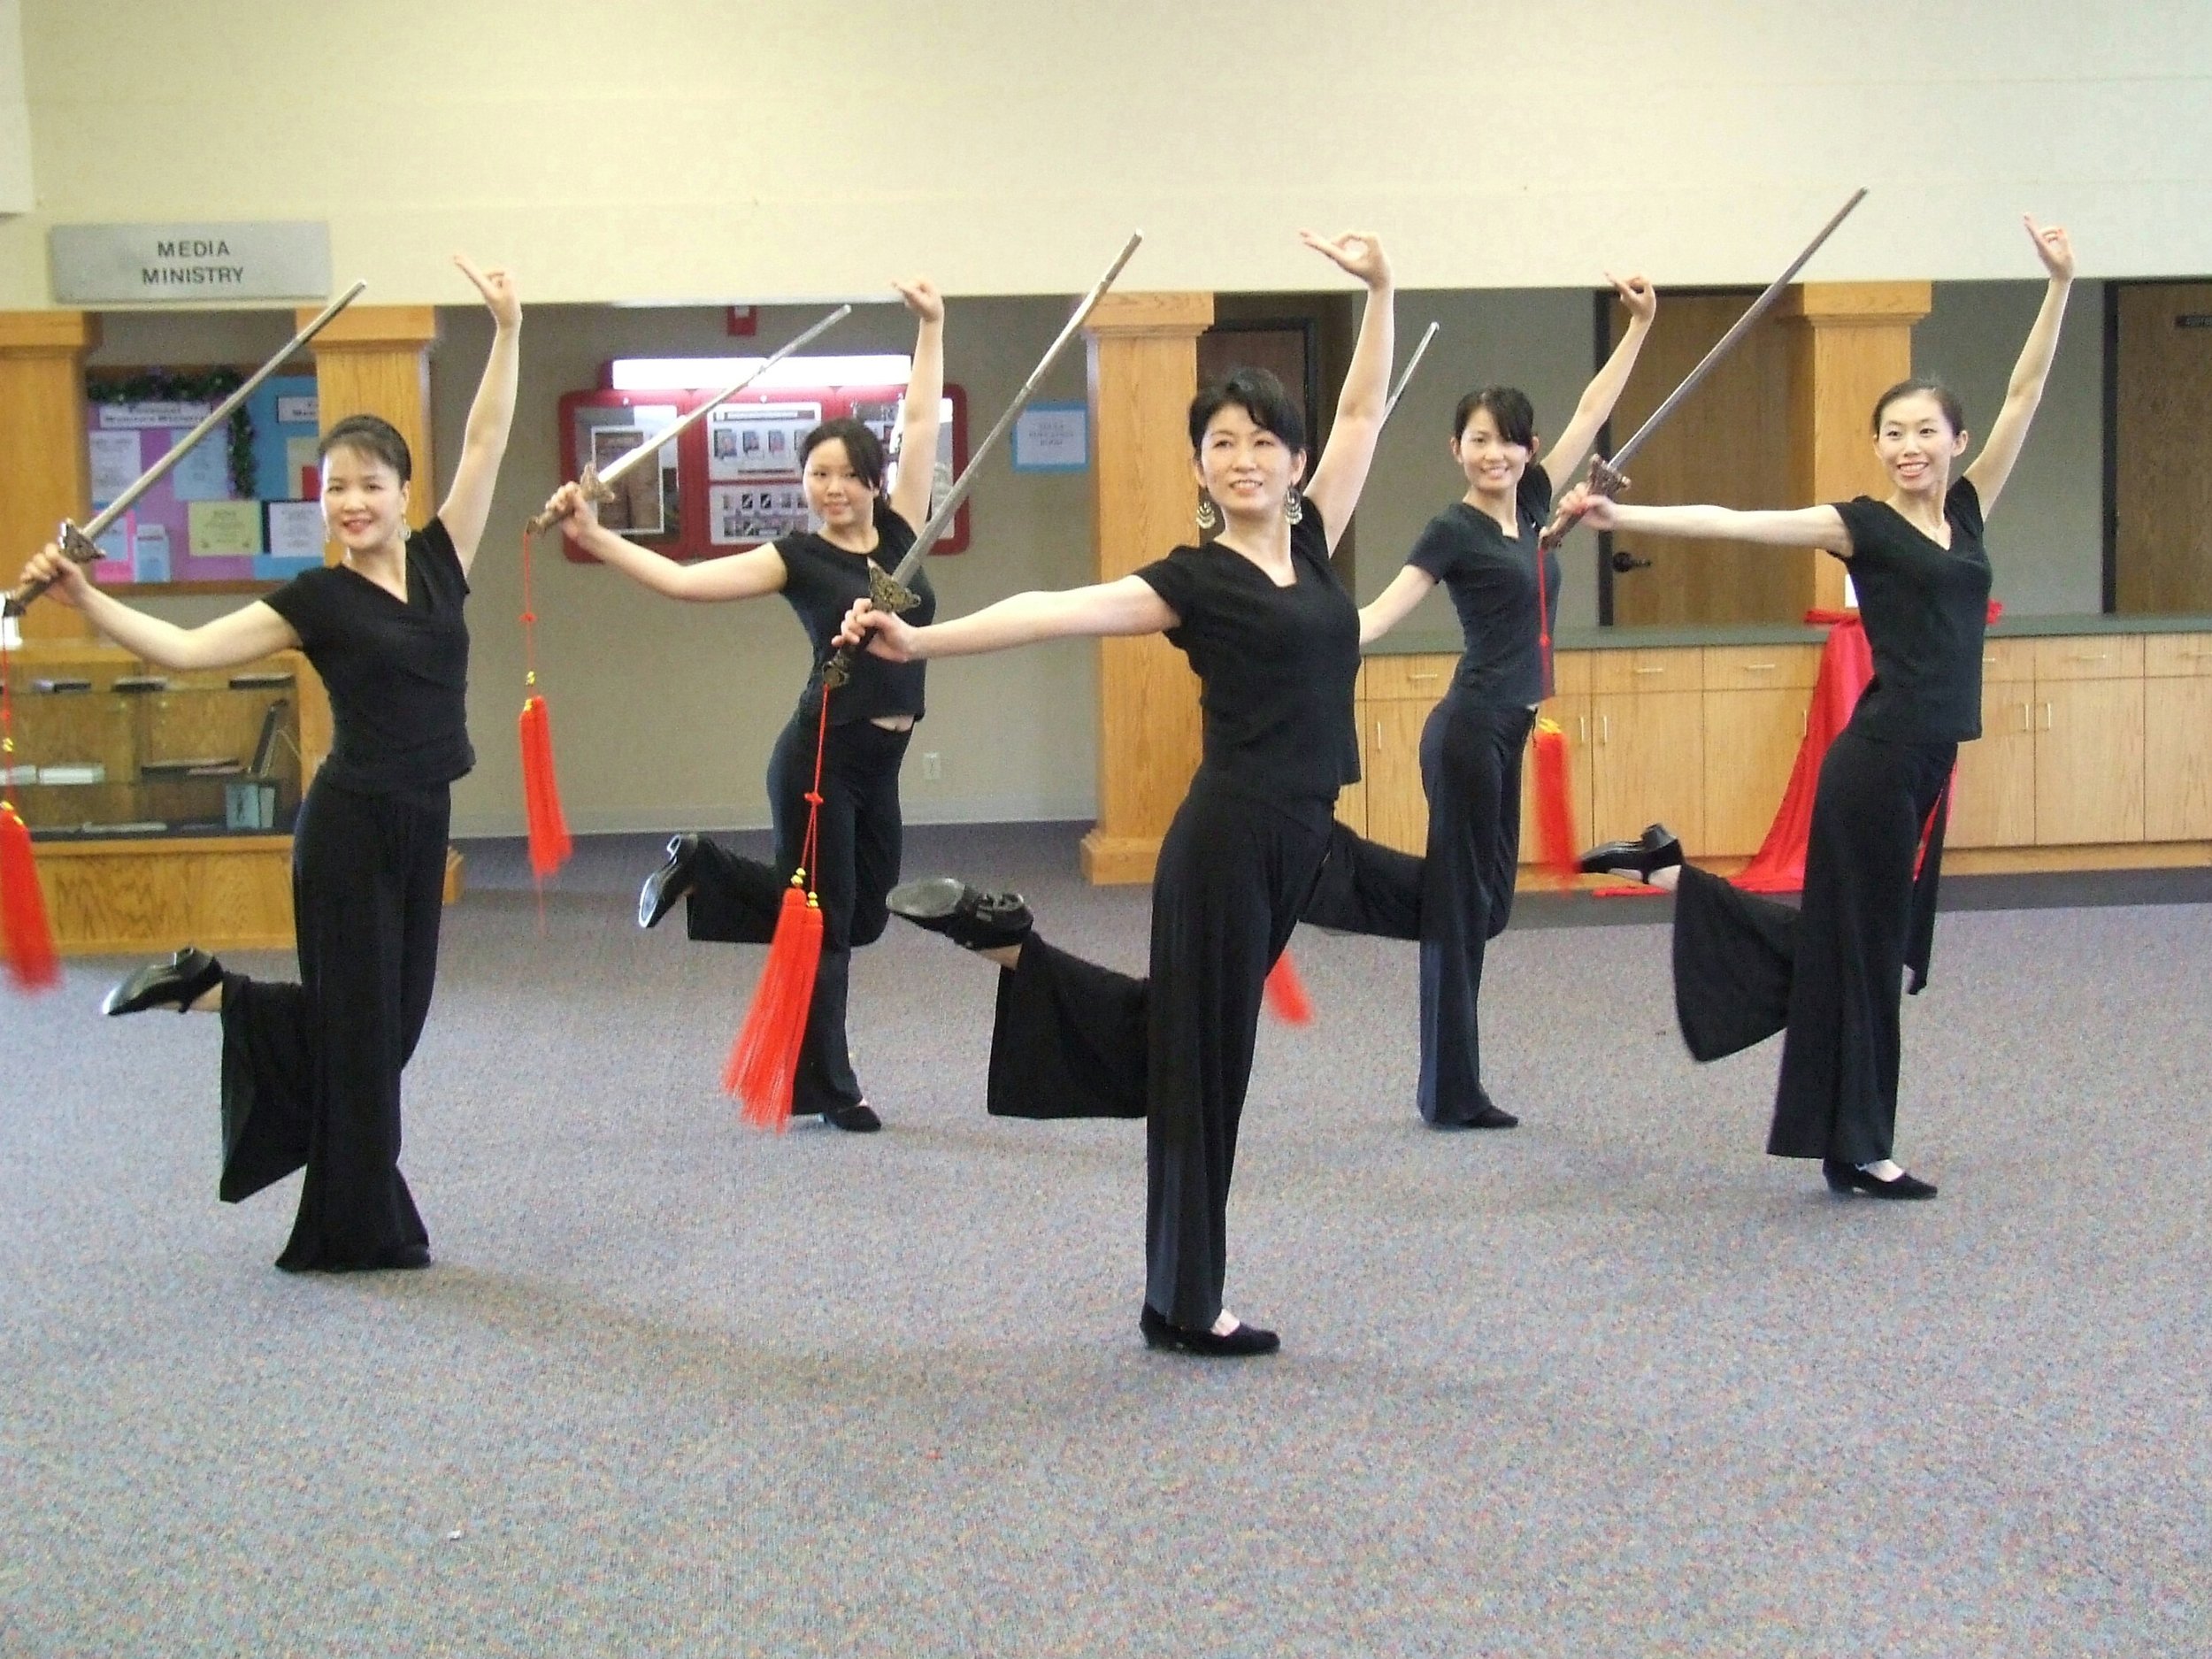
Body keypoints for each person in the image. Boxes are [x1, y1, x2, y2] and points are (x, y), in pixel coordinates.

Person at [840, 232, 1424, 1356]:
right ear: (1199, 468)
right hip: (1229, 840)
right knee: (1203, 1067)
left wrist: (1383, 291)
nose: (1243, 459)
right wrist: (921, 641)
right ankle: (1186, 1305)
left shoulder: (1314, 546)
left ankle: (1018, 954)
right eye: (1221, 444)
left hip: (1306, 835)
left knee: (1196, 1036)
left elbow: (1363, 413)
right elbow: (1053, 609)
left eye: (1262, 441)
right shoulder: (1191, 580)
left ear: (1294, 461)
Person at [23, 257, 523, 1271]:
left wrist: (508, 332)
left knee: (391, 1029)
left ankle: (216, 995)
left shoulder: (442, 560)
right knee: (362, 1036)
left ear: (403, 492)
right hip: (347, 828)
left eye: (370, 484)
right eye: (335, 487)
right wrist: (87, 599)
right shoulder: (314, 601)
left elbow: (483, 441)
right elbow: (186, 650)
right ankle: (358, 1227)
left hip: (423, 818)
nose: (351, 501)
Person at [1563, 216, 2076, 1200]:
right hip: (1878, 760)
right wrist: (1622, 514)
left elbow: (2024, 392)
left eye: (1925, 431)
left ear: (1957, 441)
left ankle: (1680, 887)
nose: (1908, 446)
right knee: (1865, 951)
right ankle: (1863, 1144)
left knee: (1855, 945)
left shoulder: (1969, 511)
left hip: (1926, 761)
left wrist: (2057, 286)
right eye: (1893, 433)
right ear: (1876, 446)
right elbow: (1737, 524)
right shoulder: (1862, 525)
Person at [546, 280, 944, 1133]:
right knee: (825, 926)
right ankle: (832, 1089)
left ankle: (709, 867)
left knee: (863, 915)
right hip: (819, 755)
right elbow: (685, 584)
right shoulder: (795, 556)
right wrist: (597, 537)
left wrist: (932, 325)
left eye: (847, 475)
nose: (832, 488)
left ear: (873, 482)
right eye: (817, 475)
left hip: (883, 762)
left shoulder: (903, 532)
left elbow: (919, 423)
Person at [1357, 273, 1658, 1130]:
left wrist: (1639, 326)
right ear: (1456, 448)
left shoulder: (1530, 508)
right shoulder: (1450, 530)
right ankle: (1451, 1092)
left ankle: (1388, 900)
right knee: (1463, 913)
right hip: (1467, 730)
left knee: (1485, 905)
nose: (1496, 454)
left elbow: (1593, 408)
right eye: (1480, 440)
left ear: (1529, 450)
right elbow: (1383, 609)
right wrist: (1311, 638)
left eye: (1509, 441)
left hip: (1509, 730)